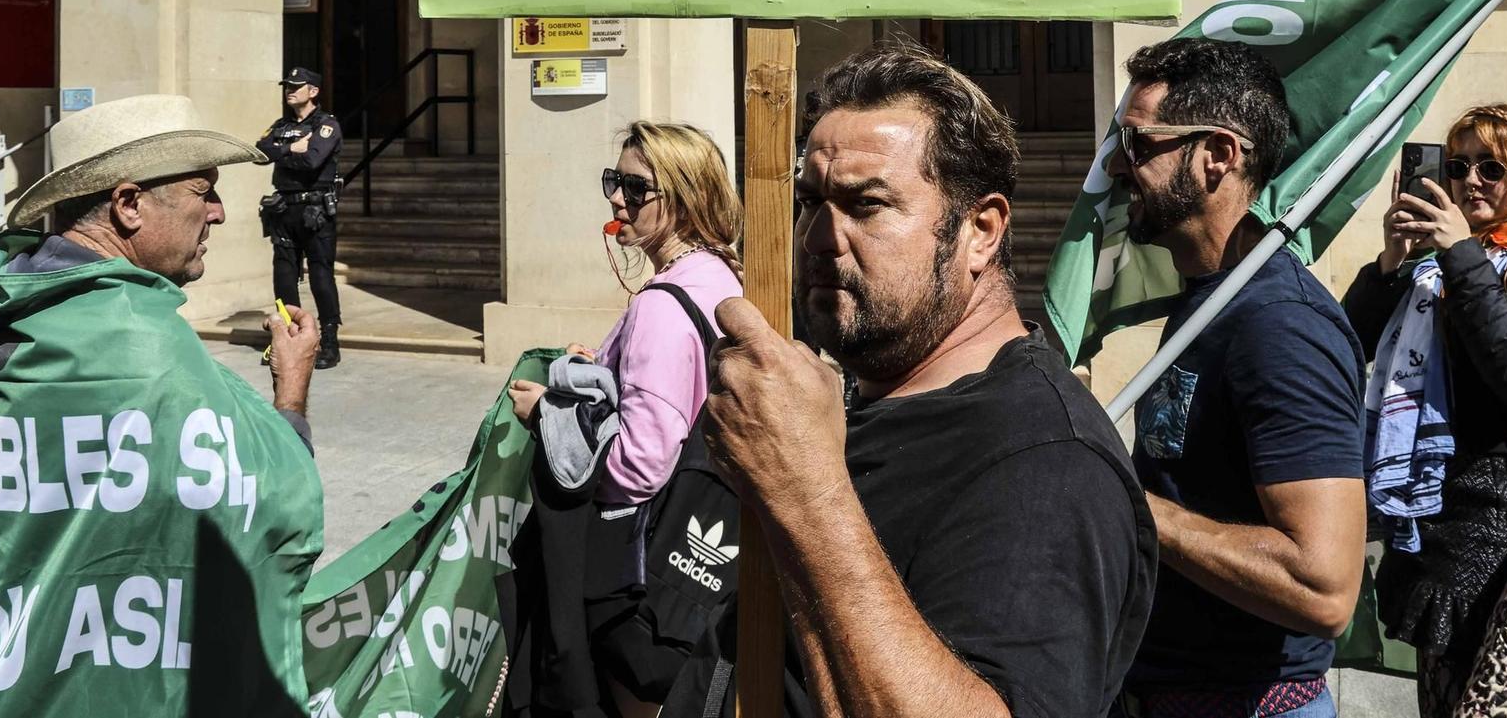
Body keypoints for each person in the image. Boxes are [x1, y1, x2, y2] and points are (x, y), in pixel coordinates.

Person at [666, 42, 1157, 718]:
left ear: (980, 230)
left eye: (865, 204)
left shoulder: (1046, 462)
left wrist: (806, 491)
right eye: (810, 201)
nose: (817, 238)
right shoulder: (878, 392)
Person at [0, 94, 324, 716]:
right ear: (128, 204)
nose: (221, 213)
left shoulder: (4, 303)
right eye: (205, 190)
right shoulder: (139, 342)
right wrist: (291, 390)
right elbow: (275, 499)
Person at [1108, 37, 1366, 718]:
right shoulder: (1211, 295)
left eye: (1139, 145)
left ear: (1217, 154)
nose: (1114, 165)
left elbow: (1324, 586)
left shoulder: (1281, 326)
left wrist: (1125, 499)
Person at [1341, 104, 1507, 712]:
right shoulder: (1432, 267)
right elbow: (1345, 349)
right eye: (1458, 165)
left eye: (1492, 167)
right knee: (1443, 694)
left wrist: (1462, 257)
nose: (1470, 181)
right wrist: (1391, 262)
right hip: (1429, 518)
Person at [506, 120, 744, 717]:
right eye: (615, 181)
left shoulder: (661, 309)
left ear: (686, 197)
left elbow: (640, 464)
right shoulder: (719, 277)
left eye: (636, 188)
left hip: (639, 575)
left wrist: (549, 416)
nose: (617, 199)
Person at [258, 66, 344, 369]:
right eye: (287, 86)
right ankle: (286, 338)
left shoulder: (326, 125)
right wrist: (291, 147)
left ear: (314, 91)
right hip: (283, 210)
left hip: (315, 210)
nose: (290, 90)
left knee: (321, 276)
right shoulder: (281, 125)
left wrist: (282, 152)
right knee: (283, 278)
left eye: (297, 86)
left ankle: (329, 340)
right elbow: (259, 151)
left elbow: (312, 160)